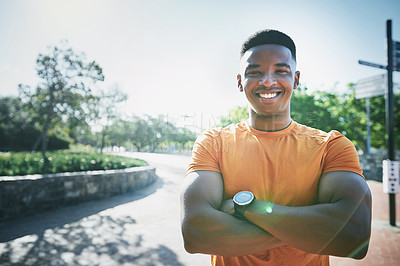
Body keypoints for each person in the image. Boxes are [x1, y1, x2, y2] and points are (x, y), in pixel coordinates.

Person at [180, 29, 372, 266]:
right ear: (240, 82)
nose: (268, 81)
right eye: (254, 72)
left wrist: (249, 208)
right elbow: (195, 233)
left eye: (281, 71)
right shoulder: (212, 143)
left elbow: (354, 235)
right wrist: (313, 230)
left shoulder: (331, 147)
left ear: (296, 79)